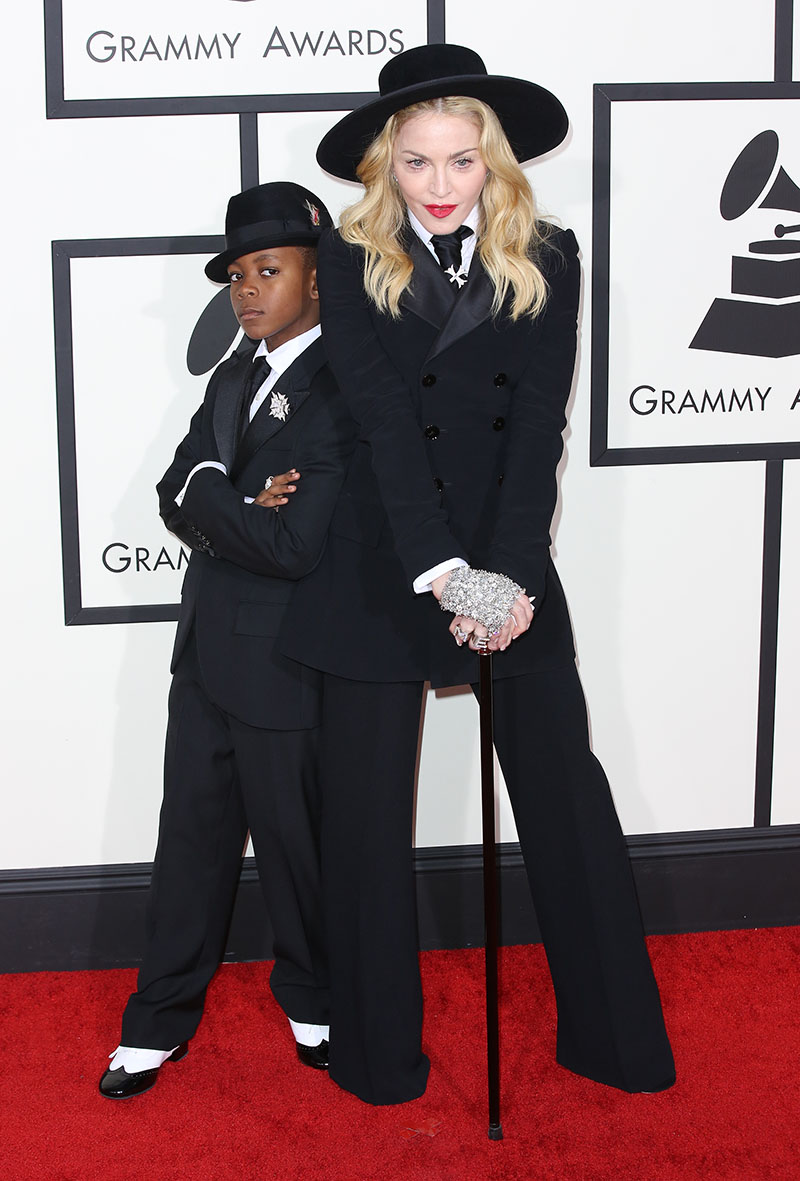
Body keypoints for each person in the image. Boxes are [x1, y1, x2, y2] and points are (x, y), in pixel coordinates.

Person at [280, 44, 676, 1105]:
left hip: (503, 558)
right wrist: (446, 572)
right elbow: (379, 432)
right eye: (416, 163)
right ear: (384, 166)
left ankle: (614, 1040)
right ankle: (377, 1061)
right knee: (363, 819)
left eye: (462, 162)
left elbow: (535, 422)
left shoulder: (548, 251)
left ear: (494, 164)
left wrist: (502, 574)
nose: (441, 187)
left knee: (564, 792)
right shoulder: (353, 260)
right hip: (382, 558)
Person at [98, 181, 355, 1099]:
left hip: (285, 665)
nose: (247, 291)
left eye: (269, 270)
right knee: (189, 848)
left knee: (297, 849)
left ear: (320, 278)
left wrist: (212, 492)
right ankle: (156, 1021)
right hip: (204, 653)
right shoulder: (229, 376)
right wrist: (225, 491)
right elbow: (173, 491)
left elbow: (293, 544)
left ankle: (316, 1001)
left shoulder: (342, 388)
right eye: (238, 274)